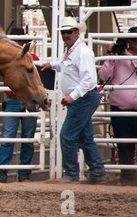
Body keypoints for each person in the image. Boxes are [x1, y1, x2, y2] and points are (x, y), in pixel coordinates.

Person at [41, 17, 106, 183]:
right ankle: (97, 173)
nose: (65, 35)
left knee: (67, 135)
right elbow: (66, 66)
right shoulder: (74, 50)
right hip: (83, 98)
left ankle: (71, 173)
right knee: (85, 138)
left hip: (82, 98)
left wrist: (72, 96)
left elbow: (89, 80)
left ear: (77, 32)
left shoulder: (82, 52)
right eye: (63, 32)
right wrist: (53, 65)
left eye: (69, 32)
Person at [0, 28, 39, 183]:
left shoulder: (30, 58)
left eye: (20, 41)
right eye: (17, 41)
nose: (19, 43)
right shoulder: (24, 58)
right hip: (15, 99)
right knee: (10, 137)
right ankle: (10, 173)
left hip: (24, 99)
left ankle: (17, 173)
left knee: (25, 138)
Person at [98, 26, 137, 185]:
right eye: (133, 38)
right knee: (123, 144)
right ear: (127, 40)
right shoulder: (118, 57)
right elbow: (103, 76)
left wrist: (126, 54)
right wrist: (111, 56)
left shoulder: (126, 55)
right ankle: (128, 178)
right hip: (121, 109)